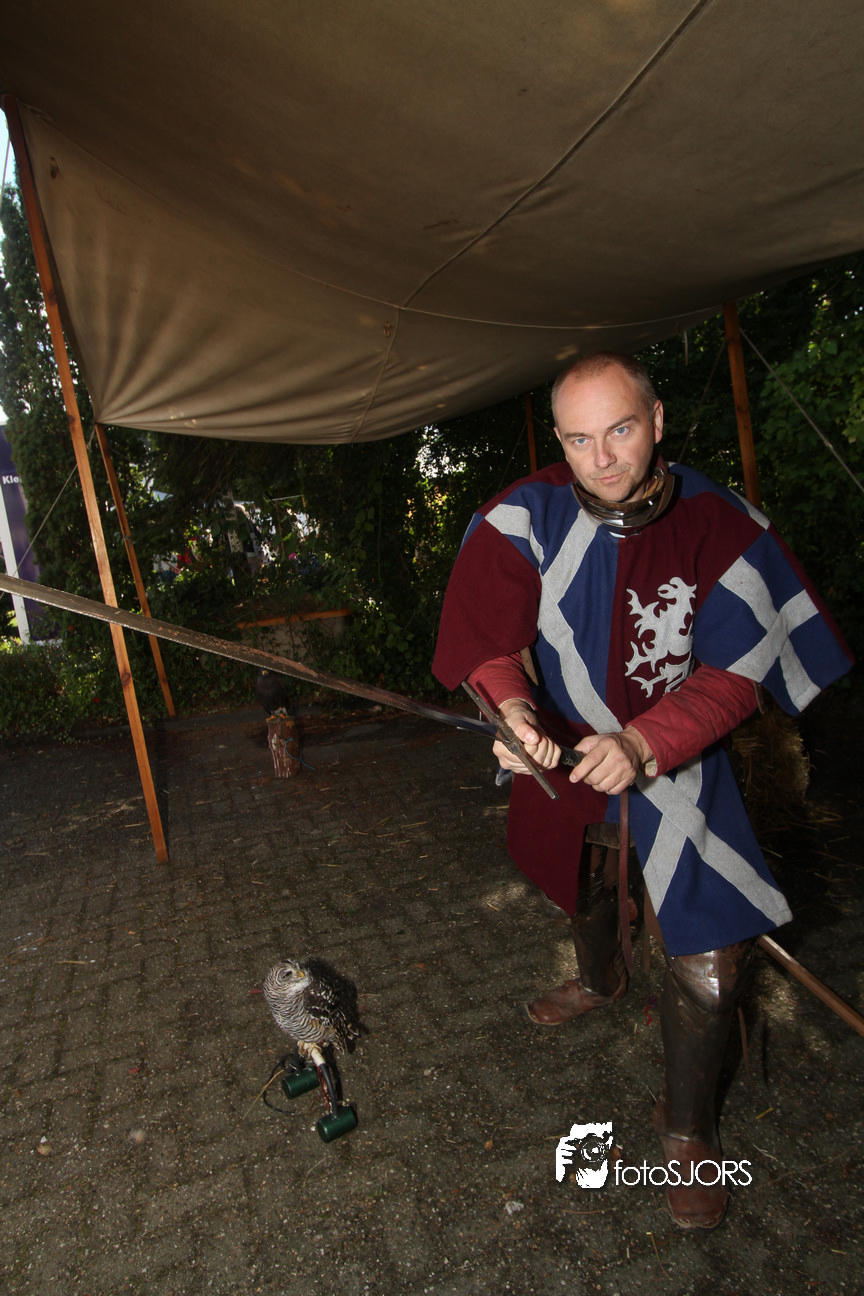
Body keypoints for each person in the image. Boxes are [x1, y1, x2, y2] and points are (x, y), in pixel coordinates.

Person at [432, 352, 853, 1230]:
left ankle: (689, 1131)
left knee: (712, 973)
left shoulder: (723, 525)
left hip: (680, 766)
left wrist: (645, 743)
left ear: (657, 421)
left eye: (620, 429)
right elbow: (488, 645)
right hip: (567, 753)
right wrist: (515, 715)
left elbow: (737, 676)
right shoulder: (524, 516)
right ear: (560, 440)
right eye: (579, 439)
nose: (602, 458)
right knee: (585, 890)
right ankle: (600, 978)